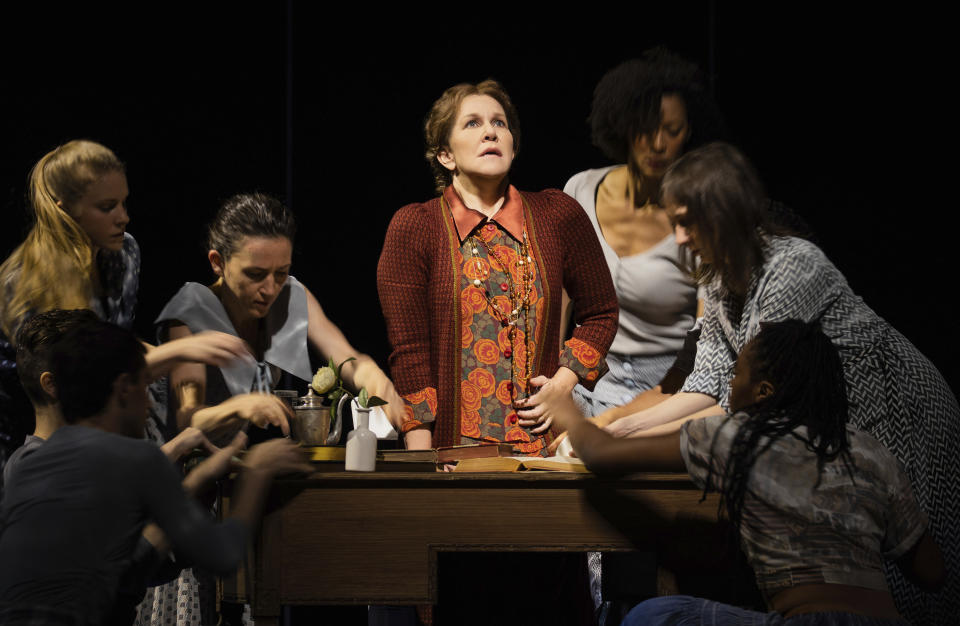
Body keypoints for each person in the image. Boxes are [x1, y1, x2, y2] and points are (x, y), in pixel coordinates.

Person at [590, 142, 959, 624]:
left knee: (882, 559)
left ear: (722, 214)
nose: (678, 237)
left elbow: (747, 402)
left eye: (687, 221)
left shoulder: (793, 265)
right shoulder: (720, 279)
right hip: (821, 416)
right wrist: (621, 430)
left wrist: (622, 438)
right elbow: (704, 386)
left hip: (894, 404)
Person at [533, 318, 944, 624]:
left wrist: (570, 413)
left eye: (736, 376)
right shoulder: (869, 450)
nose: (729, 387)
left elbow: (603, 456)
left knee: (653, 616)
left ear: (763, 392)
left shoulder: (740, 435)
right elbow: (931, 571)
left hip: (807, 620)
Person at [0, 319, 312, 625]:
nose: (151, 407)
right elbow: (223, 555)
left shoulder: (39, 467)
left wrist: (196, 479)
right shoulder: (131, 458)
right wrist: (257, 472)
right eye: (145, 386)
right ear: (123, 389)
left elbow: (129, 566)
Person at [377, 79, 618, 455]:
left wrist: (563, 382)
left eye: (500, 123)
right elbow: (410, 351)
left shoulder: (558, 215)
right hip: (452, 453)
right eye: (472, 123)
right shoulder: (416, 227)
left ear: (513, 145)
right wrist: (421, 459)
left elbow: (602, 311)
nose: (490, 131)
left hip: (545, 447)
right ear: (445, 155)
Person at [0, 140, 250, 470]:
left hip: (100, 416)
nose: (124, 217)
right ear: (65, 209)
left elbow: (113, 338)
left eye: (124, 203)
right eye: (107, 207)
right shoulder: (23, 283)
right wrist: (180, 351)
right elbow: (77, 380)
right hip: (42, 436)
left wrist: (192, 353)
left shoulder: (123, 254)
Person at [155, 192, 404, 439]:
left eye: (281, 273)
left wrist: (377, 381)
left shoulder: (288, 297)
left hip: (224, 464)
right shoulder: (191, 312)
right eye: (255, 274)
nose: (270, 289)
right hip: (166, 465)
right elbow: (189, 420)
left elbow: (349, 361)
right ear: (218, 262)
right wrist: (242, 406)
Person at [563, 48, 723, 417]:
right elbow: (560, 302)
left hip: (668, 386)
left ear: (690, 133)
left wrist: (639, 415)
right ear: (624, 123)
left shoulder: (698, 216)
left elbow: (706, 336)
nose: (657, 144)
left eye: (672, 130)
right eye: (647, 128)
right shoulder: (582, 190)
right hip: (587, 377)